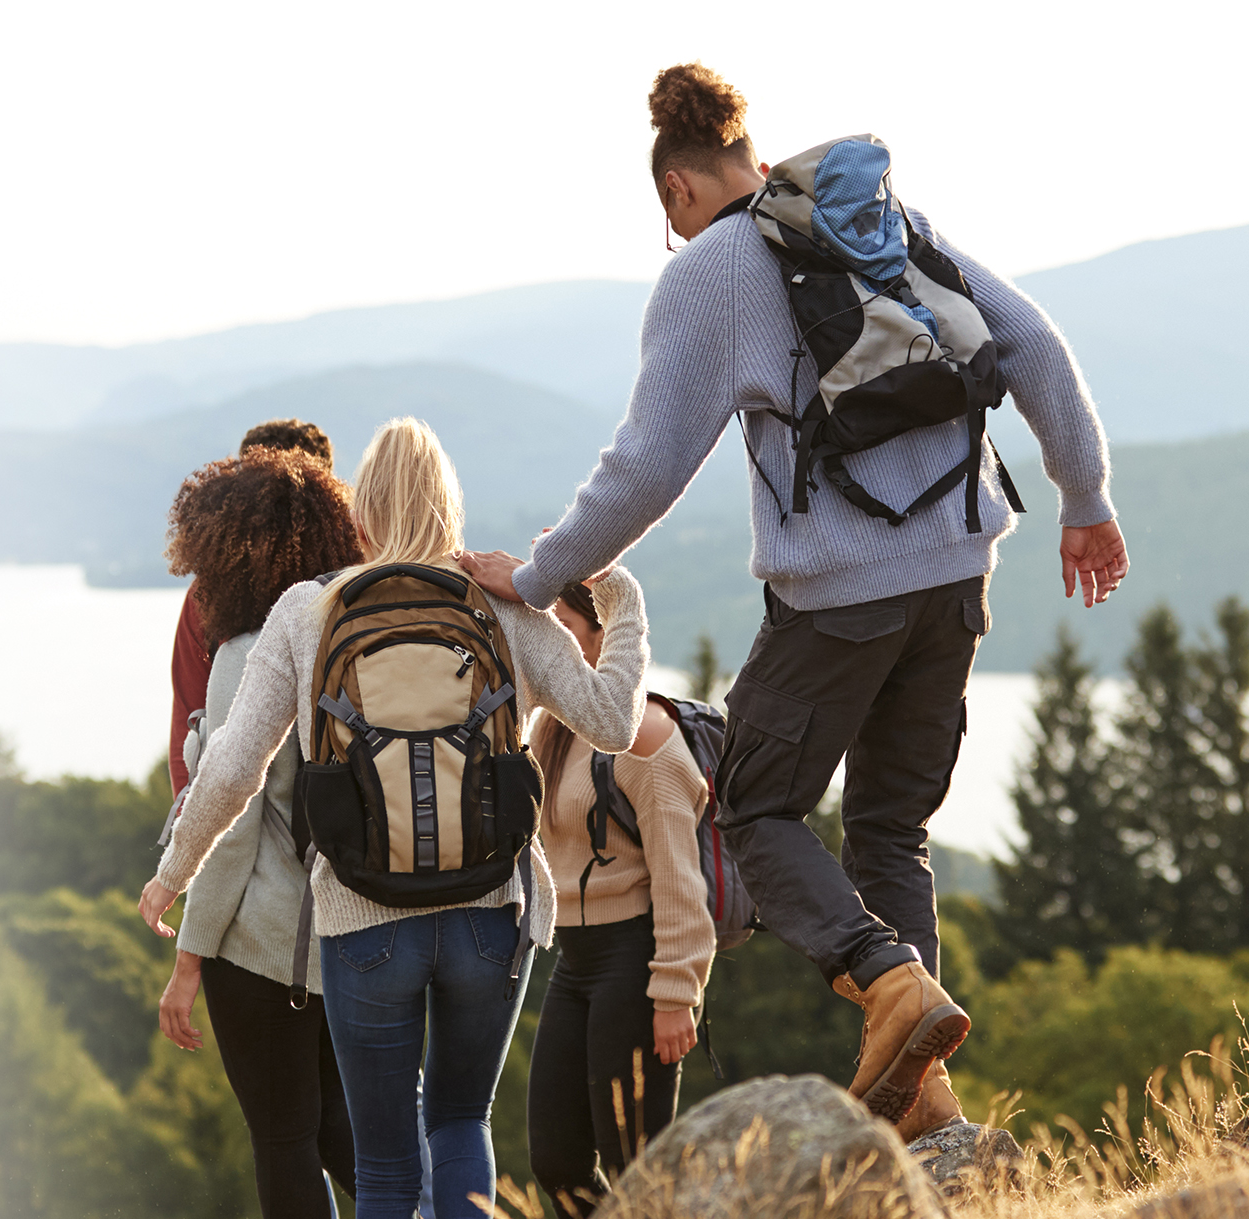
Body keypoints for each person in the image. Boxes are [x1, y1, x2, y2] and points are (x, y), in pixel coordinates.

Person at [458, 63, 1129, 1142]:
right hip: (960, 571)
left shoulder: (707, 273)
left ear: (677, 192)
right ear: (752, 163)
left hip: (839, 598)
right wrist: (1084, 497)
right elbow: (1032, 342)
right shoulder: (877, 219)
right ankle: (925, 1105)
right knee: (889, 827)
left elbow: (643, 468)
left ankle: (885, 980)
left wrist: (532, 580)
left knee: (749, 803)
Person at [142, 417, 650, 1219]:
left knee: (381, 1161)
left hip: (363, 920)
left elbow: (232, 766)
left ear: (364, 513)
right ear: (451, 503)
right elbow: (613, 721)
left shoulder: (308, 613)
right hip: (491, 910)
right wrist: (620, 600)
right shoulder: (504, 603)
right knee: (459, 1121)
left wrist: (172, 874)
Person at [156, 442, 366, 1218]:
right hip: (355, 930)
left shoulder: (247, 653)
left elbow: (231, 826)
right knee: (344, 1125)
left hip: (264, 943)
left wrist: (189, 956)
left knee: (283, 1137)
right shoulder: (349, 637)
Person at [523, 582, 714, 1217]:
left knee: (637, 1165)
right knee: (557, 1163)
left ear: (605, 639)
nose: (550, 641)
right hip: (574, 962)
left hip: (634, 960)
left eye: (565, 627)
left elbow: (680, 877)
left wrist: (675, 994)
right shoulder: (554, 727)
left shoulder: (646, 738)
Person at [170, 419, 338, 796]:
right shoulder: (353, 584)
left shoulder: (208, 597)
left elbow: (189, 723)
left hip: (235, 818)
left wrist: (188, 822)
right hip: (340, 814)